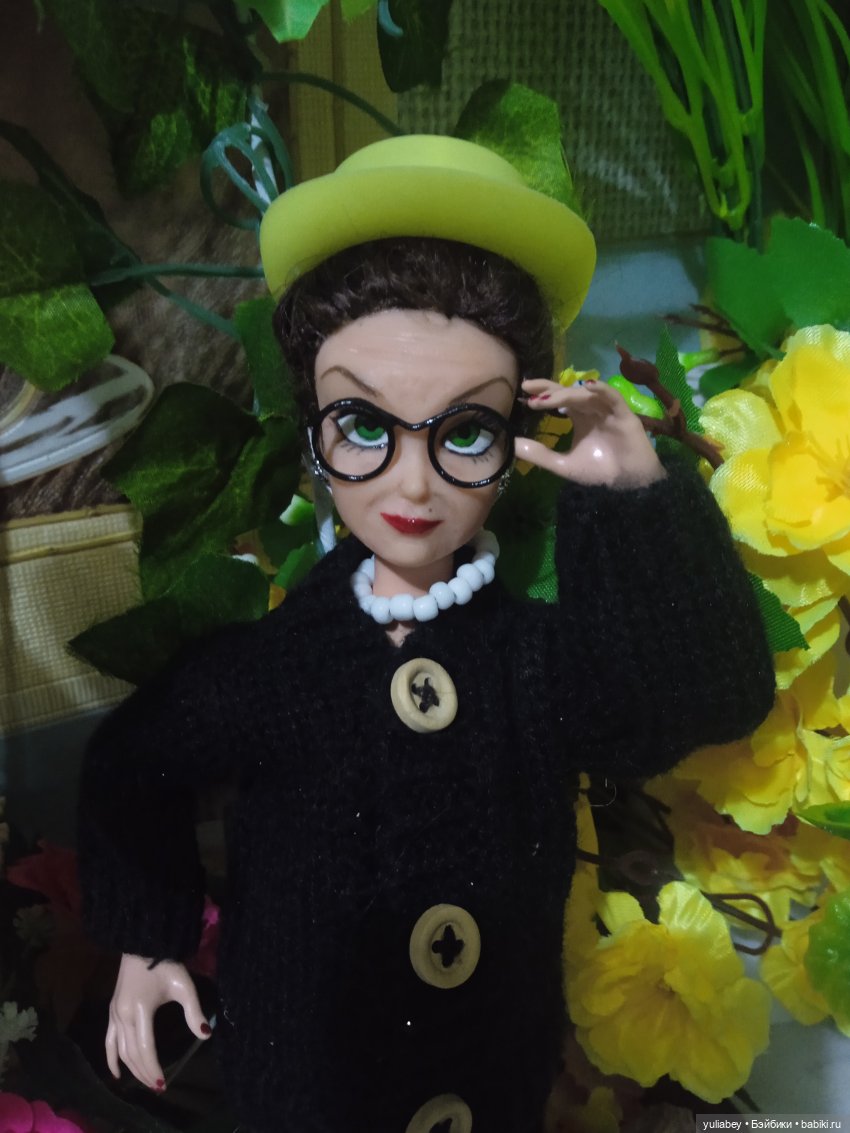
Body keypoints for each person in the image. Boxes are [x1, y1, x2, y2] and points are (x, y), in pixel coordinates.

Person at [78, 136, 775, 1133]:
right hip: (303, 1092)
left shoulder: (530, 663)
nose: (412, 482)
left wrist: (632, 495)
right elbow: (132, 763)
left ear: (516, 436)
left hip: (496, 1084)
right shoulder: (274, 675)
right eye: (364, 426)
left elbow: (703, 696)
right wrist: (148, 940)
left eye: (464, 432)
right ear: (313, 428)